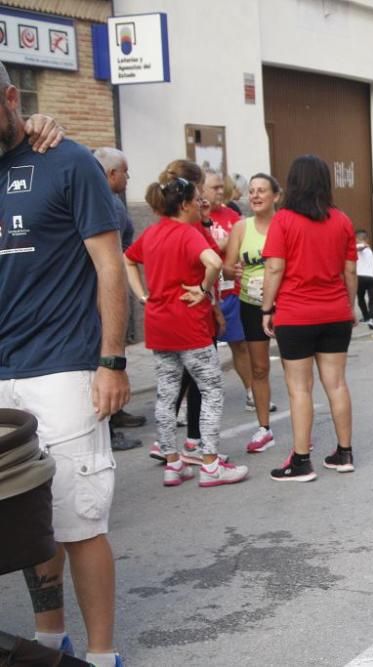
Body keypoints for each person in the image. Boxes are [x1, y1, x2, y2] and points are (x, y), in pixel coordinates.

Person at [0, 62, 129, 667]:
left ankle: (103, 656)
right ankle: (51, 641)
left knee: (80, 519)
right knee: (29, 517)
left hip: (64, 369)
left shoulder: (67, 159)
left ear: (10, 98)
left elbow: (109, 266)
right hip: (3, 375)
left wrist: (111, 360)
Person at [124, 160, 249, 490]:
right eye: (196, 200)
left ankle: (172, 463)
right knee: (210, 391)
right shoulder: (187, 233)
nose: (201, 204)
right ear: (184, 205)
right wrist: (205, 288)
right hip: (190, 326)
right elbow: (214, 262)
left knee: (166, 397)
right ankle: (210, 464)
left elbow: (128, 258)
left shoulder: (151, 233)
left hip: (159, 325)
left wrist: (142, 296)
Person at [261, 155, 358, 482]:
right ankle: (344, 453)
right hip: (335, 313)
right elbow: (350, 270)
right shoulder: (342, 220)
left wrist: (266, 309)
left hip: (295, 315)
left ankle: (301, 461)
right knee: (337, 383)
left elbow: (274, 267)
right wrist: (350, 306)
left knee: (300, 389)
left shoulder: (283, 220)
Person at [203, 168, 272, 413]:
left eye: (223, 186)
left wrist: (234, 270)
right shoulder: (193, 217)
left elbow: (232, 263)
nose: (222, 191)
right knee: (199, 351)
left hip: (232, 293)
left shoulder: (232, 216)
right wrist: (224, 246)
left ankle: (251, 391)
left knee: (240, 344)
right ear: (200, 190)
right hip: (203, 292)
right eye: (215, 187)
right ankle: (189, 402)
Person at [223, 173, 281, 453]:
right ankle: (264, 428)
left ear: (276, 196)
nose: (255, 196)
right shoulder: (241, 228)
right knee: (260, 368)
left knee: (298, 369)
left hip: (285, 305)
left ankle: (302, 419)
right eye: (252, 191)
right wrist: (229, 270)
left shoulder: (285, 225)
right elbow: (226, 266)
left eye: (262, 191)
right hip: (251, 304)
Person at [93, 147, 146, 446]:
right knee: (105, 353)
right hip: (102, 291)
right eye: (125, 172)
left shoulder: (111, 201)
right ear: (112, 174)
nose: (128, 177)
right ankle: (108, 429)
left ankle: (116, 412)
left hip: (109, 286)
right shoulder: (104, 204)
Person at [355, 229, 373, 329]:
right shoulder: (369, 250)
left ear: (357, 239)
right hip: (372, 278)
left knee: (360, 298)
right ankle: (371, 318)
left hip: (360, 277)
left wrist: (363, 245)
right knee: (372, 300)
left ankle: (366, 316)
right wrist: (365, 246)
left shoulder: (360, 247)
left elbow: (359, 248)